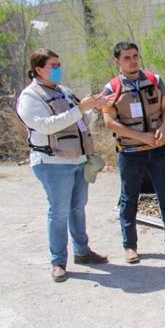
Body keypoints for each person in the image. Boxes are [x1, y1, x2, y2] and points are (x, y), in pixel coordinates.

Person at [16, 48, 112, 282]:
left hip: (78, 159)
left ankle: (82, 251)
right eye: (54, 66)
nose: (59, 69)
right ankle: (58, 261)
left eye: (59, 64)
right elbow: (46, 126)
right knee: (58, 212)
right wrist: (80, 109)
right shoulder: (30, 97)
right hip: (52, 162)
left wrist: (93, 107)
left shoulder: (65, 92)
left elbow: (82, 121)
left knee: (77, 208)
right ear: (38, 70)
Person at [102, 41, 165, 264]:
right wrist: (140, 137)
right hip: (130, 152)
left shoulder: (154, 80)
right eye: (127, 58)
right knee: (129, 198)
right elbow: (109, 122)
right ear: (117, 62)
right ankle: (130, 246)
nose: (133, 61)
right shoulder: (112, 89)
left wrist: (162, 129)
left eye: (135, 56)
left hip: (157, 149)